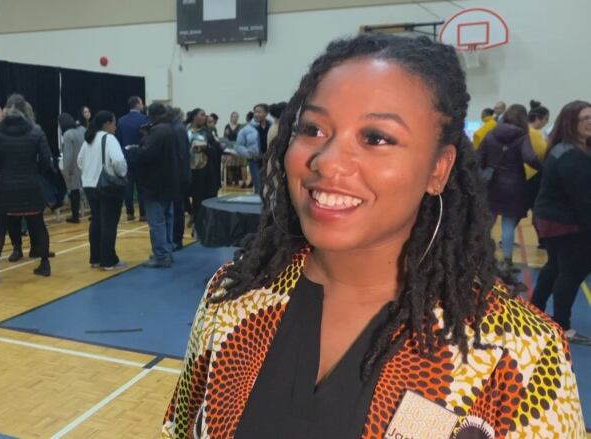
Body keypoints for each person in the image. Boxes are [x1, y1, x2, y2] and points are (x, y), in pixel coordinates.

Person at [163, 34, 584, 438]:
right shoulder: (233, 297)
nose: (327, 162)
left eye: (376, 137)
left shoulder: (519, 354)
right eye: (312, 129)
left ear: (438, 169)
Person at [531, 100, 591, 343]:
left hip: (553, 219)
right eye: (584, 119)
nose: (590, 122)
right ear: (571, 122)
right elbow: (582, 200)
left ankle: (535, 312)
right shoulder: (570, 156)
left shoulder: (570, 149)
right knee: (571, 272)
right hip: (565, 222)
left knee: (554, 268)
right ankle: (562, 325)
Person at [0, 94, 52, 283]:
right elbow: (46, 160)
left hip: (6, 186)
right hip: (31, 184)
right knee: (39, 225)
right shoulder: (36, 131)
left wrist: (6, 167)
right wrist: (35, 171)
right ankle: (45, 263)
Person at [478, 104, 542, 280]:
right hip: (514, 187)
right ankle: (506, 261)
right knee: (508, 225)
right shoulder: (522, 137)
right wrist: (543, 166)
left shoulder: (491, 134)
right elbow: (530, 158)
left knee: (487, 223)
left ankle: (480, 257)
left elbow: (478, 157)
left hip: (491, 185)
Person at [78, 111, 128, 271]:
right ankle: (108, 260)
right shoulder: (109, 139)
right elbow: (119, 161)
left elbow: (80, 161)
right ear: (107, 124)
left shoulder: (88, 140)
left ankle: (95, 258)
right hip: (107, 186)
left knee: (97, 222)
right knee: (109, 223)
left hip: (89, 185)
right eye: (114, 123)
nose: (115, 127)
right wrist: (122, 173)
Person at [133, 103, 179, 268]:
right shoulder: (172, 129)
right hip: (169, 182)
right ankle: (167, 252)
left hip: (154, 184)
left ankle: (161, 256)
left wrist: (141, 142)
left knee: (157, 222)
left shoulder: (157, 132)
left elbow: (145, 154)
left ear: (151, 115)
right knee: (168, 219)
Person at [186, 108, 222, 230]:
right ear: (194, 116)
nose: (205, 117)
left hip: (204, 170)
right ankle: (193, 217)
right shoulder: (185, 130)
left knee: (203, 198)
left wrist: (206, 147)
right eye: (202, 115)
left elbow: (218, 149)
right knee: (190, 198)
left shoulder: (209, 132)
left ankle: (202, 225)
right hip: (188, 170)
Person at [116, 96, 149, 222]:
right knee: (141, 186)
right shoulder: (145, 119)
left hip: (126, 156)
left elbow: (119, 140)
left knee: (128, 186)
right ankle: (143, 213)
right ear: (137, 104)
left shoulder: (121, 120)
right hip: (141, 156)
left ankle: (129, 213)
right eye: (141, 103)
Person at [169, 106, 191, 250]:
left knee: (177, 209)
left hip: (178, 175)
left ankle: (177, 239)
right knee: (178, 208)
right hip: (181, 174)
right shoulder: (179, 128)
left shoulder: (177, 129)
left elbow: (181, 155)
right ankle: (177, 239)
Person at [59, 113, 85, 223]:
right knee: (88, 190)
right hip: (85, 164)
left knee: (74, 191)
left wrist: (67, 170)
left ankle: (75, 215)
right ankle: (94, 212)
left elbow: (68, 155)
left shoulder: (68, 134)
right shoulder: (83, 129)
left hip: (74, 166)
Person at [525, 100, 550, 206]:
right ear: (539, 119)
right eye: (546, 120)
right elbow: (544, 153)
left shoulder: (523, 129)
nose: (546, 123)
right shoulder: (534, 133)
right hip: (532, 173)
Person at [234, 110, 261, 193]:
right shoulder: (245, 130)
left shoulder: (270, 126)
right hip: (254, 159)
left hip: (268, 159)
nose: (258, 114)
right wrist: (250, 154)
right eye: (256, 112)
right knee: (258, 184)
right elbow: (238, 146)